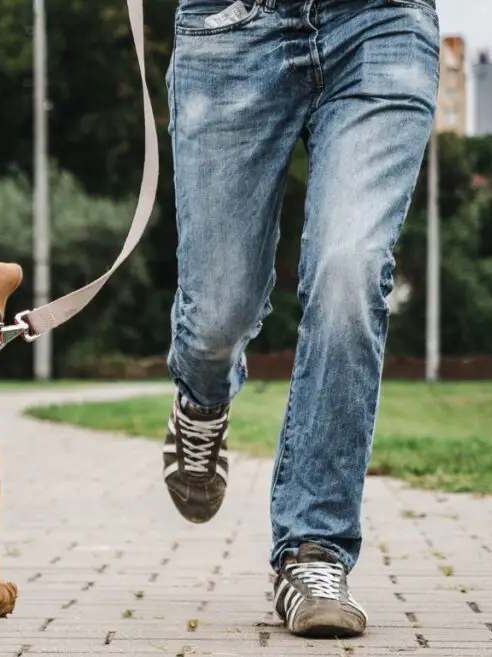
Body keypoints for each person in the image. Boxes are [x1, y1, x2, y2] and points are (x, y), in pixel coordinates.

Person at [161, 0, 439, 638]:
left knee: (351, 269)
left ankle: (313, 549)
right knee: (217, 314)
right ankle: (201, 402)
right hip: (228, 28)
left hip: (381, 23)